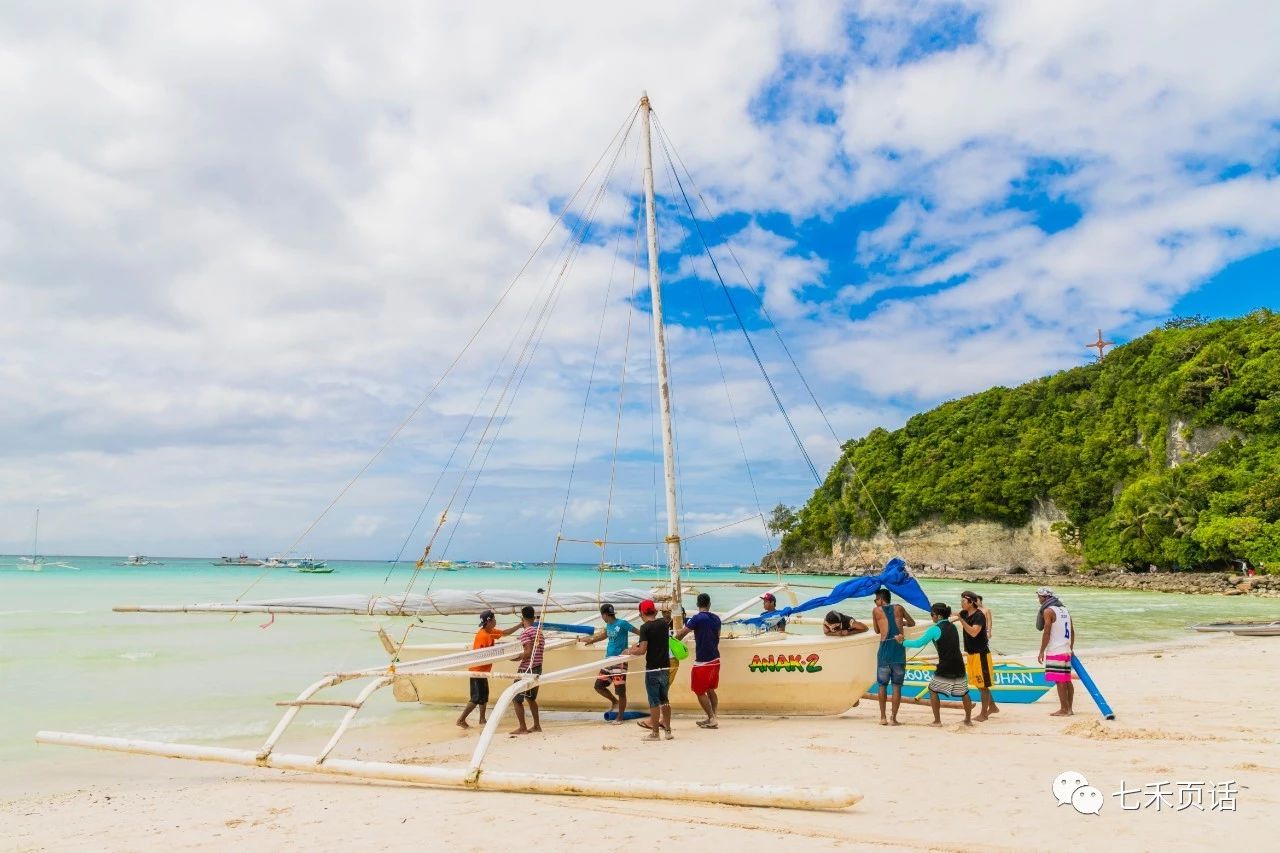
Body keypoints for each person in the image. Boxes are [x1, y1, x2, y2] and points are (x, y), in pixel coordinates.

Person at [897, 602, 972, 726]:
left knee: (933, 690)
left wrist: (902, 642)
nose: (931, 617)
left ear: (937, 616)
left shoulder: (934, 629)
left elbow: (918, 643)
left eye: (932, 614)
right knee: (964, 692)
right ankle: (968, 720)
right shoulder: (953, 626)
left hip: (946, 664)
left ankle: (937, 721)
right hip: (959, 663)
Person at [457, 609, 519, 729]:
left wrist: (520, 625)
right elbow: (482, 654)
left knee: (484, 696)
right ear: (489, 621)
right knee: (476, 698)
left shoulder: (490, 631)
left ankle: (482, 719)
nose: (496, 620)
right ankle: (461, 719)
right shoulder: (483, 636)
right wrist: (507, 655)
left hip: (484, 671)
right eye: (494, 618)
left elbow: (505, 633)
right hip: (477, 671)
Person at [625, 598, 673, 740]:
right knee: (665, 699)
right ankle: (668, 731)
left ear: (642, 613)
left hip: (652, 669)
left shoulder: (645, 628)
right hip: (665, 666)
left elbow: (642, 650)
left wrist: (629, 651)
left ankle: (655, 733)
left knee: (654, 701)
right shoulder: (664, 624)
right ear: (654, 611)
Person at [583, 603, 636, 724]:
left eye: (602, 615)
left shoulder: (622, 623)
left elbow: (640, 633)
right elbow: (604, 635)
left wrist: (634, 648)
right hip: (608, 660)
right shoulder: (608, 625)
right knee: (599, 686)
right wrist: (591, 640)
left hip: (620, 661)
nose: (603, 617)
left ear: (605, 615)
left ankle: (620, 717)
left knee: (620, 690)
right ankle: (614, 702)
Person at [675, 592, 721, 729]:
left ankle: (712, 718)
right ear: (709, 604)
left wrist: (671, 641)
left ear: (697, 604)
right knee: (710, 689)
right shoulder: (716, 618)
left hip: (703, 660)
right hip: (716, 658)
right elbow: (717, 635)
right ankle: (713, 716)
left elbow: (681, 634)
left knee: (699, 691)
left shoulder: (697, 618)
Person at [872, 588, 916, 726]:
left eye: (875, 600)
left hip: (884, 651)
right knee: (897, 686)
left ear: (881, 599)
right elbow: (912, 623)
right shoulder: (899, 608)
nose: (875, 603)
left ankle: (883, 717)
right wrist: (902, 623)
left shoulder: (876, 611)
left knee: (882, 685)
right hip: (898, 650)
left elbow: (877, 630)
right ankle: (893, 718)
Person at [956, 591, 999, 721]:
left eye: (963, 601)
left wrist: (961, 620)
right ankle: (992, 707)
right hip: (971, 654)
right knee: (979, 684)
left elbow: (974, 632)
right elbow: (953, 616)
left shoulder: (979, 616)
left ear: (971, 602)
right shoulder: (964, 613)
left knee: (983, 685)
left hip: (981, 654)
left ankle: (984, 714)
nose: (961, 603)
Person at [1036, 586, 1075, 717]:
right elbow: (1072, 631)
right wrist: (1071, 647)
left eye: (1039, 597)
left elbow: (1046, 632)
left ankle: (1064, 709)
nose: (1038, 599)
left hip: (1056, 650)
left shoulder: (1048, 611)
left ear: (1046, 597)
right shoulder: (1064, 609)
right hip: (1066, 649)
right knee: (1067, 679)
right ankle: (1069, 708)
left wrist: (1041, 651)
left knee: (1060, 680)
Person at [510, 604, 545, 735]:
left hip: (527, 668)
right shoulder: (539, 632)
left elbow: (528, 652)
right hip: (538, 667)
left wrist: (515, 657)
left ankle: (522, 727)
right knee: (531, 698)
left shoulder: (525, 632)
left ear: (522, 617)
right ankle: (536, 725)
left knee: (516, 698)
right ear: (533, 617)